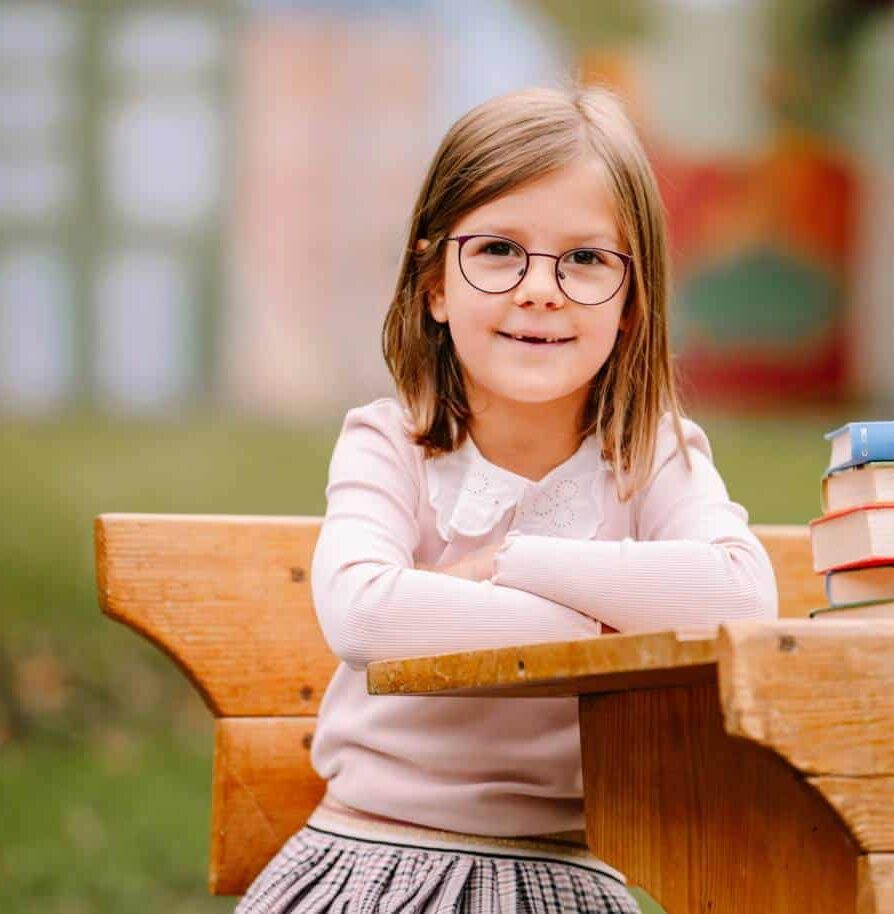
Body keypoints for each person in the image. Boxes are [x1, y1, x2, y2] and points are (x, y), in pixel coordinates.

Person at [235, 84, 778, 914]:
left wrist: (514, 564)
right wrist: (613, 630)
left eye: (587, 260)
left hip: (567, 877)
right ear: (434, 285)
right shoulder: (394, 446)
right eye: (497, 250)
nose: (540, 289)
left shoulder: (650, 456)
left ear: (633, 303)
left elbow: (742, 594)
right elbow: (365, 618)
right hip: (378, 860)